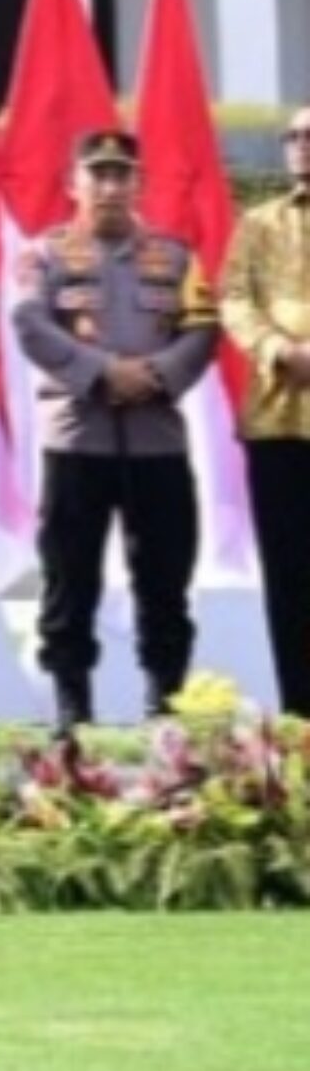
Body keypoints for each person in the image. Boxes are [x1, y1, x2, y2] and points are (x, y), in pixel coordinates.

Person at [10, 127, 219, 733]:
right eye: (96, 175)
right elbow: (28, 322)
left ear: (139, 183)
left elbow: (203, 328)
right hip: (78, 438)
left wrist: (157, 374)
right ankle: (72, 707)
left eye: (120, 174)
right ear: (72, 184)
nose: (108, 186)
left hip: (157, 440)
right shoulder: (44, 255)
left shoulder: (176, 258)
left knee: (165, 578)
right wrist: (103, 372)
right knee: (69, 578)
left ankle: (166, 703)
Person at [224, 106, 310, 714]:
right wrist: (280, 349)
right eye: (294, 136)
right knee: (288, 575)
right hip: (278, 419)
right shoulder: (257, 223)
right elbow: (233, 298)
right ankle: (300, 718)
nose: (302, 145)